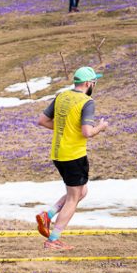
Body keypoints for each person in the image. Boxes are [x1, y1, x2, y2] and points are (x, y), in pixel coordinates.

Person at [35, 66, 108, 251]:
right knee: (73, 198)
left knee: (81, 192)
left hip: (58, 154)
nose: (94, 86)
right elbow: (87, 132)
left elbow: (42, 120)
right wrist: (100, 128)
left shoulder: (61, 96)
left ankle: (47, 215)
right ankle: (52, 240)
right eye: (94, 82)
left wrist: (65, 128)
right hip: (74, 155)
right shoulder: (87, 102)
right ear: (88, 83)